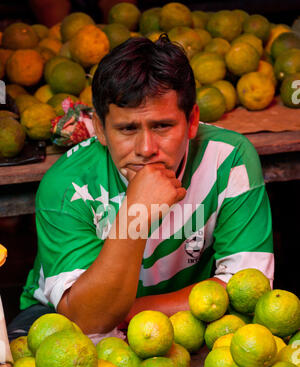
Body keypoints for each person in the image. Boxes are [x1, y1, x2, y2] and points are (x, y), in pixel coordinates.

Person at [7, 35, 274, 341]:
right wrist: (137, 214)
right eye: (127, 128)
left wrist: (137, 310)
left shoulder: (229, 159)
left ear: (192, 121)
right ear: (101, 129)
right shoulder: (67, 185)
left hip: (181, 314)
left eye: (162, 126)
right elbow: (86, 320)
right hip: (62, 320)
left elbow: (248, 287)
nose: (146, 148)